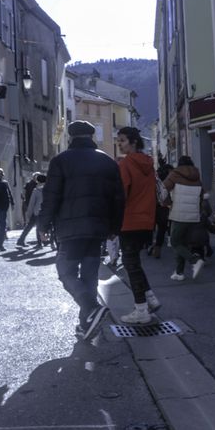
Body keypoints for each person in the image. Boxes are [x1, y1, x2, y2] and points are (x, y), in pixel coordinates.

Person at [38, 121, 125, 339]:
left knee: (66, 272)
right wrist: (115, 226)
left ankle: (91, 308)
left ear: (70, 137)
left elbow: (51, 196)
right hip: (97, 229)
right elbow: (118, 198)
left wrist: (43, 224)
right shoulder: (107, 161)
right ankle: (86, 325)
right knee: (89, 275)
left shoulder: (61, 161)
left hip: (70, 229)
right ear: (91, 136)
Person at [115, 127, 162, 325]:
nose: (119, 144)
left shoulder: (125, 164)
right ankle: (150, 297)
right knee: (134, 262)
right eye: (118, 140)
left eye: (123, 140)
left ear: (133, 142)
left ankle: (141, 309)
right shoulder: (148, 164)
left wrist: (112, 219)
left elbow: (121, 195)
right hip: (146, 220)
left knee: (130, 265)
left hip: (129, 220)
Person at [164, 156, 204, 281]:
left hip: (178, 214)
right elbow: (201, 195)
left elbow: (163, 189)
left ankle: (195, 260)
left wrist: (167, 203)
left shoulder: (174, 174)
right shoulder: (197, 176)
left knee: (175, 242)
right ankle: (179, 272)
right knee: (183, 244)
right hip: (193, 215)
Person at [16, 174, 46, 248]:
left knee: (30, 226)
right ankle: (40, 242)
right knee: (38, 226)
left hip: (36, 211)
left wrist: (29, 213)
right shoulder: (47, 189)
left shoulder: (35, 190)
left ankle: (21, 240)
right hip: (44, 211)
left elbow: (31, 203)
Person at [151, 162, 172, 258]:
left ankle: (150, 244)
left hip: (153, 206)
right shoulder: (169, 182)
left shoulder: (154, 181)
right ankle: (157, 247)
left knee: (152, 227)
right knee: (162, 228)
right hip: (163, 207)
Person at [0, 168, 14, 251]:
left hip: (0, 206)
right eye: (0, 174)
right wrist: (12, 202)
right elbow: (9, 194)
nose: (1, 175)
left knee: (0, 225)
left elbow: (9, 193)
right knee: (1, 225)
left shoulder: (1, 183)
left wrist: (12, 202)